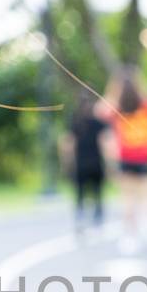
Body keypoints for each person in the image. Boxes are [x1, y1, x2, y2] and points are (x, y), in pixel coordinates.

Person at [107, 67, 147, 255]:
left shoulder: (117, 108)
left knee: (128, 198)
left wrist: (113, 89)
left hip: (125, 157)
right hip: (144, 155)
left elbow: (100, 111)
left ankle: (129, 236)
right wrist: (144, 88)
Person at [62, 90, 113, 242]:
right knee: (98, 194)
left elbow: (68, 144)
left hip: (81, 163)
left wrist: (67, 162)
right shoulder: (98, 123)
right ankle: (98, 224)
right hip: (96, 163)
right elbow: (104, 143)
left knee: (80, 194)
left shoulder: (74, 121)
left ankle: (80, 223)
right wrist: (110, 164)